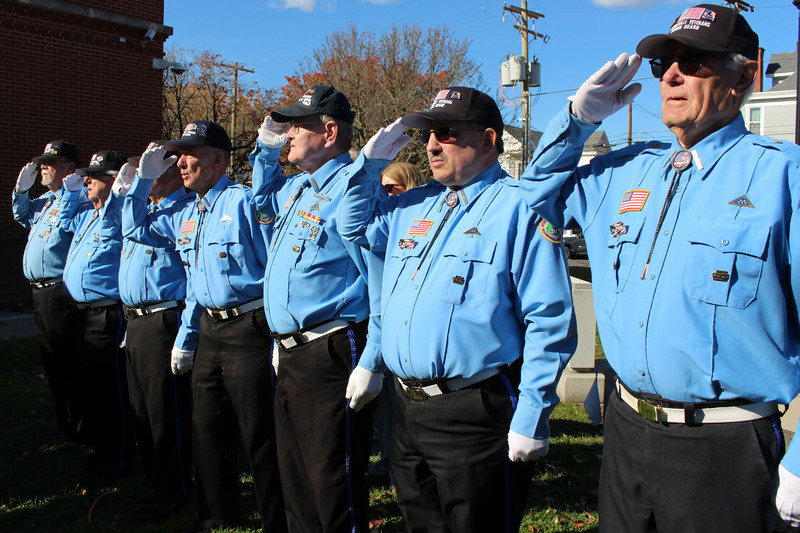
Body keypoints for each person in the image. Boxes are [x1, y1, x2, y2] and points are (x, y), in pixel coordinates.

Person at [520, 5, 800, 532]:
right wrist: (577, 122)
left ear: (745, 75)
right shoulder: (625, 170)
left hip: (725, 449)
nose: (670, 75)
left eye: (692, 62)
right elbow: (533, 193)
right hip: (627, 432)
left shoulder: (783, 179)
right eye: (662, 64)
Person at [339, 87, 577, 532]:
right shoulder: (413, 204)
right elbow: (350, 224)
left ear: (487, 140)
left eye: (446, 133)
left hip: (475, 410)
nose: (431, 145)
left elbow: (550, 320)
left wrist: (532, 414)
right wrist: (368, 165)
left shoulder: (519, 207)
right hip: (408, 407)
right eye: (428, 134)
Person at [122, 122, 286, 533]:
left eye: (191, 152)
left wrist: (277, 335)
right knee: (206, 431)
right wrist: (142, 181)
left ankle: (277, 520)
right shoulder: (183, 213)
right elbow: (134, 228)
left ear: (218, 159)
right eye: (179, 153)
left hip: (250, 328)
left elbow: (276, 266)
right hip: (208, 329)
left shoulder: (245, 202)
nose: (181, 161)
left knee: (260, 435)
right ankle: (216, 516)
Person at [249, 85, 384, 532]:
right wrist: (265, 151)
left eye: (295, 127)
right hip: (290, 351)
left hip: (330, 349)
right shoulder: (298, 189)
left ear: (328, 132)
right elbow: (260, 204)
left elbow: (380, 279)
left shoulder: (356, 188)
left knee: (332, 481)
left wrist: (372, 359)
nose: (287, 134)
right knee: (295, 476)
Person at [118, 154, 195, 520]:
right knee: (142, 411)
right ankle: (156, 481)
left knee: (165, 412)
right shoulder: (149, 210)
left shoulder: (182, 211)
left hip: (163, 318)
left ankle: (174, 486)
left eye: (153, 172)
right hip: (135, 321)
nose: (145, 177)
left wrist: (138, 189)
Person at [61, 150, 133, 485]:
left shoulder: (117, 212)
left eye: (94, 175)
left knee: (108, 393)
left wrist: (118, 193)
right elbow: (63, 223)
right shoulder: (89, 214)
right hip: (79, 314)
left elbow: (112, 226)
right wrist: (69, 193)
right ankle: (98, 449)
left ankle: (115, 460)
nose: (86, 179)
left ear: (114, 179)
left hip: (104, 315)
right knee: (87, 389)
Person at [11, 140, 89, 450]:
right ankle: (66, 426)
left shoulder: (79, 200)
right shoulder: (46, 201)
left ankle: (83, 431)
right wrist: (20, 193)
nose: (42, 167)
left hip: (60, 293)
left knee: (69, 364)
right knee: (52, 362)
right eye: (42, 162)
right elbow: (22, 217)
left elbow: (68, 229)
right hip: (40, 294)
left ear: (69, 169)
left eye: (50, 163)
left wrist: (68, 196)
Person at [369, 160, 427, 487]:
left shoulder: (418, 219)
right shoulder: (383, 220)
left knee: (397, 407)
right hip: (379, 323)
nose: (386, 195)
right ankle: (389, 462)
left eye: (393, 188)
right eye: (382, 188)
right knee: (385, 408)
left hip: (408, 329)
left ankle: (396, 467)